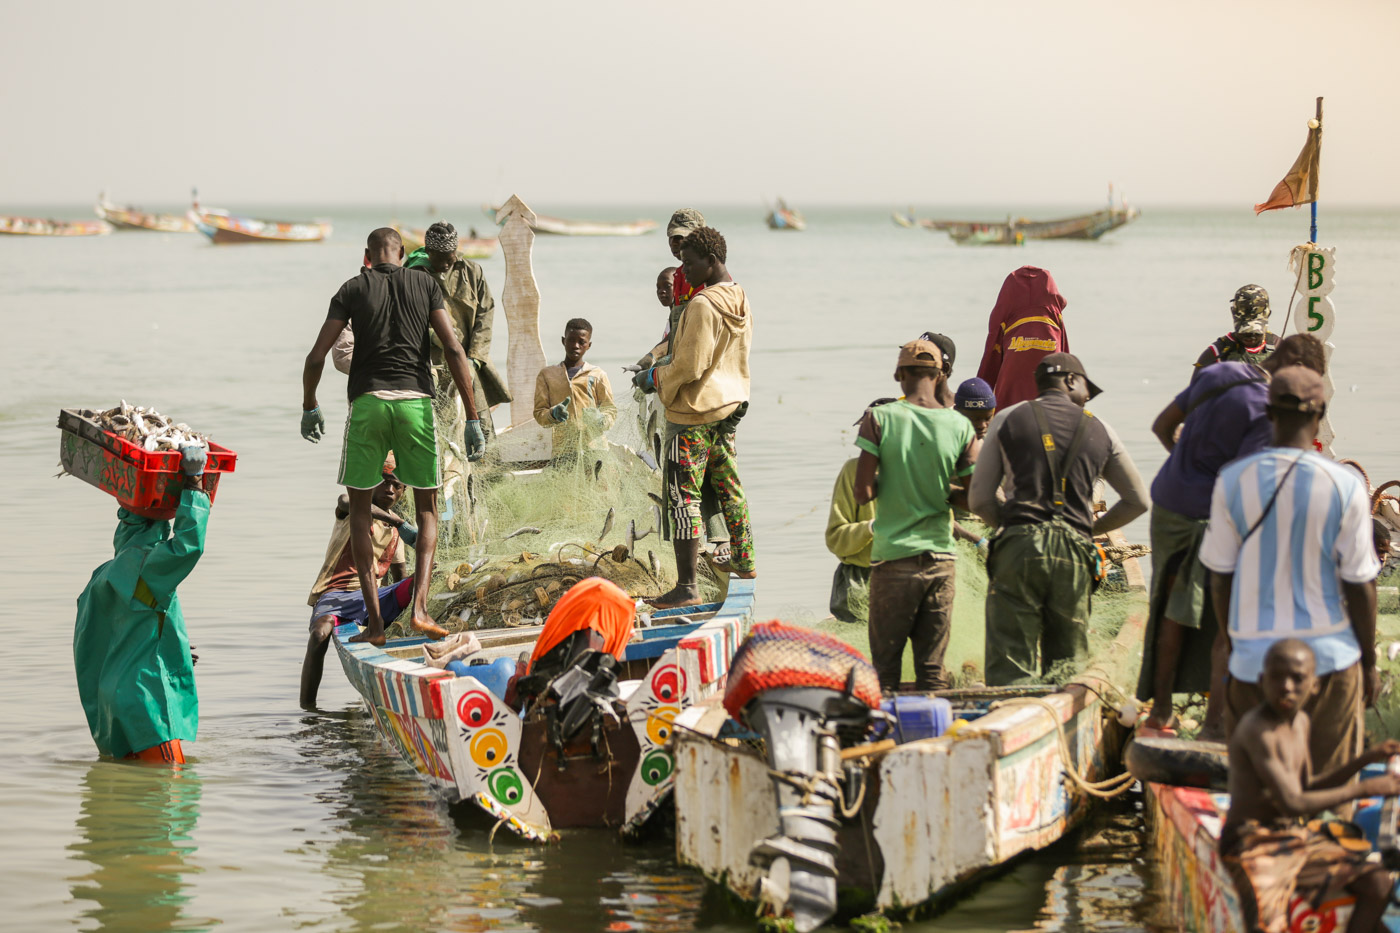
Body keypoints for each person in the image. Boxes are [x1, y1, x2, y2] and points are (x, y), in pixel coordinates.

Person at [301, 226, 485, 646]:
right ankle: (419, 611)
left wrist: (310, 405)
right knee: (427, 509)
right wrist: (472, 417)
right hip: (415, 403)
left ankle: (376, 627)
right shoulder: (425, 284)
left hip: (368, 403)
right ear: (402, 253)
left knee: (360, 514)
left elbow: (315, 357)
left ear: (368, 256)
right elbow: (454, 350)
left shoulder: (352, 288)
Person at [1139, 334, 1328, 735]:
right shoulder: (1267, 411)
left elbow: (1162, 426)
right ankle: (1215, 726)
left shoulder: (1218, 373)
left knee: (1170, 609)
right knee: (1231, 624)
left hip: (1168, 502)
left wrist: (1186, 468)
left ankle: (1160, 712)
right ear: (1297, 372)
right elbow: (1246, 484)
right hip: (1211, 514)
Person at [1202, 365, 1381, 782]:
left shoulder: (1233, 481)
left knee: (1259, 793)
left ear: (1268, 414)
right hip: (1330, 662)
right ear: (1320, 414)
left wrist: (1233, 641)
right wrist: (1369, 663)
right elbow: (1360, 585)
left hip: (1255, 665)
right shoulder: (1345, 485)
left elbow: (1221, 579)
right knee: (1330, 791)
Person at [969, 353, 1149, 686]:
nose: (1087, 397)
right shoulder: (1099, 427)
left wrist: (1010, 530)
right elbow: (1138, 501)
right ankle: (1064, 708)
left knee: (1010, 666)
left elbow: (979, 499)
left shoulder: (1007, 418)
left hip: (1019, 546)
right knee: (1068, 665)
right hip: (1075, 551)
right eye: (1086, 388)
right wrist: (1089, 529)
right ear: (1070, 381)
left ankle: (1012, 706)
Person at [1221, 639, 1400, 933]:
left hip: (1294, 835)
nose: (1287, 687)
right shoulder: (1258, 730)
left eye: (1298, 679)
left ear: (1314, 685)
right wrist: (1365, 789)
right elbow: (1292, 802)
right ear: (1262, 681)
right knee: (1266, 924)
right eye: (1277, 678)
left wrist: (1366, 759)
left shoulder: (1301, 722)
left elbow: (1308, 787)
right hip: (1252, 840)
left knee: (1378, 883)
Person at [633, 226, 754, 608]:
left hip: (695, 413)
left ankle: (687, 587)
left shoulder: (702, 305)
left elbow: (689, 365)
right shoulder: (738, 296)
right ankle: (744, 559)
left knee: (682, 497)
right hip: (729, 405)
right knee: (728, 484)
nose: (683, 271)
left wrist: (654, 378)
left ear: (711, 261)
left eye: (689, 263)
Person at [854, 341, 978, 691]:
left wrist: (895, 479)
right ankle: (935, 721)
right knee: (932, 673)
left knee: (885, 675)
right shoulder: (960, 425)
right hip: (940, 562)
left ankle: (886, 725)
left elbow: (862, 493)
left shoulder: (879, 419)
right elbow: (974, 499)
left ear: (900, 375)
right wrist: (939, 489)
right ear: (939, 376)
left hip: (893, 562)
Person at [73, 445, 209, 763]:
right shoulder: (149, 569)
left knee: (128, 784)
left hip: (109, 702)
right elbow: (189, 546)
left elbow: (119, 635)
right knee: (172, 785)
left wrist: (171, 648)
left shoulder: (103, 577)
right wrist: (194, 485)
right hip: (145, 699)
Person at [300, 458, 418, 709]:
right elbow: (346, 501)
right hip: (335, 594)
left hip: (372, 600)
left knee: (419, 579)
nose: (389, 490)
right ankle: (308, 709)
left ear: (403, 491)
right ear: (371, 484)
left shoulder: (395, 532)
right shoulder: (352, 510)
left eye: (396, 486)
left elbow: (400, 577)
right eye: (384, 483)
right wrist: (398, 522)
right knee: (319, 634)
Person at [824, 399, 894, 624]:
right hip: (858, 583)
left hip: (906, 578)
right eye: (864, 432)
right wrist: (871, 528)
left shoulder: (917, 468)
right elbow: (835, 538)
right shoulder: (852, 471)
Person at [975, 267, 1069, 410]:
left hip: (1010, 401)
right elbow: (1066, 358)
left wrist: (976, 398)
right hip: (1051, 401)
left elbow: (990, 360)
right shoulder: (1055, 316)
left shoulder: (1002, 316)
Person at [533, 318, 618, 456]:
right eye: (571, 340)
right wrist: (553, 414)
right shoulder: (547, 375)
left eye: (582, 342)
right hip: (563, 451)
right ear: (563, 341)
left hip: (595, 449)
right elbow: (539, 413)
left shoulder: (597, 375)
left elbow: (610, 410)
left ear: (589, 345)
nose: (576, 346)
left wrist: (601, 420)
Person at [1196, 284, 1280, 371]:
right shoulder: (1216, 352)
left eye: (1256, 332)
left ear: (1269, 315)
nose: (1250, 336)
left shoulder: (1279, 347)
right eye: (1244, 331)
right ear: (1232, 313)